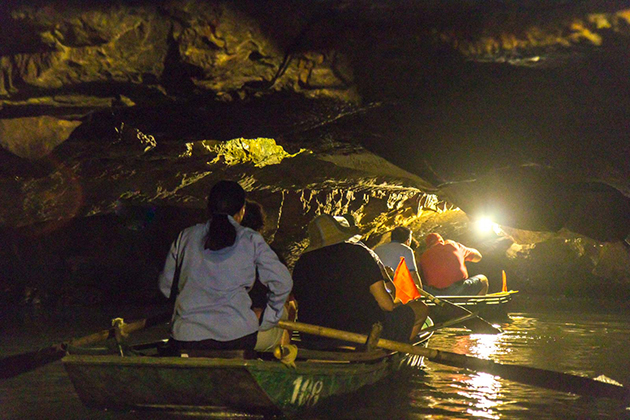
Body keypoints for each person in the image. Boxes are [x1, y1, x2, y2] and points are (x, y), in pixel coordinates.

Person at [158, 180, 293, 353]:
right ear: (242, 210)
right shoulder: (250, 239)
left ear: (209, 208)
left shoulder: (186, 236)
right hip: (237, 337)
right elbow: (282, 283)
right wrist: (268, 318)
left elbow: (165, 287)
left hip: (186, 337)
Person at [292, 214, 429, 346]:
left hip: (312, 337)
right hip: (360, 334)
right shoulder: (359, 254)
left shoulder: (302, 262)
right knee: (420, 309)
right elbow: (386, 305)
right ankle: (394, 352)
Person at [418, 233, 489, 296]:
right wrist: (462, 256)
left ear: (428, 246)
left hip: (435, 294)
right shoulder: (453, 245)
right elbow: (478, 257)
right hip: (458, 289)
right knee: (483, 280)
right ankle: (474, 309)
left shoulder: (423, 257)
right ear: (442, 241)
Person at [373, 226, 422, 291]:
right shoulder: (406, 250)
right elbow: (413, 275)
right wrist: (419, 293)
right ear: (408, 240)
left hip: (378, 288)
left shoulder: (378, 249)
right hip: (395, 290)